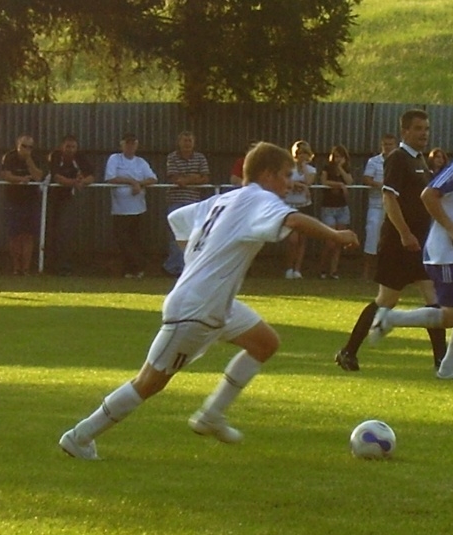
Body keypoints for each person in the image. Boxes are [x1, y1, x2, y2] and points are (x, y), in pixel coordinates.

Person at [58, 142, 359, 460]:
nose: (291, 182)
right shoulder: (261, 197)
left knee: (264, 342)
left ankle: (211, 415)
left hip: (214, 304)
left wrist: (199, 263)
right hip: (196, 308)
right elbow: (295, 220)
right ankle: (79, 436)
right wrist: (337, 236)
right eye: (287, 175)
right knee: (149, 382)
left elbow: (178, 218)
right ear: (267, 174)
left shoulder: (225, 199)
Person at [368, 124, 453, 380]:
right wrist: (452, 229)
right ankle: (390, 319)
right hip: (444, 253)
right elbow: (428, 194)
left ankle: (447, 370)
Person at [334, 109, 448, 373]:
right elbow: (389, 198)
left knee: (432, 296)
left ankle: (443, 361)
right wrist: (405, 234)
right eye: (418, 128)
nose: (424, 133)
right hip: (400, 244)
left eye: (426, 129)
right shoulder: (398, 158)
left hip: (419, 243)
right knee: (387, 300)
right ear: (405, 132)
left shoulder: (420, 159)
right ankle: (348, 351)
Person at [104, 133, 158, 279]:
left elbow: (153, 178)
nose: (130, 146)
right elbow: (110, 178)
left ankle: (133, 270)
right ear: (121, 144)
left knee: (135, 240)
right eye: (127, 143)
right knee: (122, 239)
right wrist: (131, 182)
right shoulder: (114, 159)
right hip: (120, 209)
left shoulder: (141, 162)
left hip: (138, 208)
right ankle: (139, 265)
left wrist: (139, 184)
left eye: (133, 143)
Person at [162, 130, 210, 277]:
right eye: (184, 140)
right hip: (176, 201)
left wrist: (187, 179)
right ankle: (174, 267)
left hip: (194, 202)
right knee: (175, 235)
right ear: (179, 142)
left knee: (194, 235)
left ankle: (190, 267)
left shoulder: (200, 158)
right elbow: (176, 178)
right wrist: (194, 177)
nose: (187, 143)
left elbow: (205, 178)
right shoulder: (172, 157)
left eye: (190, 140)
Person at [47, 134, 95, 276]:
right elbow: (56, 177)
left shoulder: (79, 157)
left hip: (68, 199)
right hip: (52, 198)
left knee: (65, 231)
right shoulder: (55, 156)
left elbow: (91, 176)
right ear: (62, 146)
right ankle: (51, 265)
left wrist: (82, 182)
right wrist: (74, 182)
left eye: (73, 147)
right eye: (68, 146)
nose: (70, 149)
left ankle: (64, 265)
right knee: (52, 231)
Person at [1, 134, 43, 276]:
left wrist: (28, 161)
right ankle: (15, 268)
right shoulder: (9, 157)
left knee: (28, 236)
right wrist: (21, 179)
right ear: (17, 145)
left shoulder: (35, 159)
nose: (27, 149)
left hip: (31, 201)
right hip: (13, 200)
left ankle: (25, 269)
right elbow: (6, 175)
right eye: (24, 146)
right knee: (15, 236)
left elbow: (38, 176)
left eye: (30, 147)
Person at [361, 134, 398, 280]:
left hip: (394, 206)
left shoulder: (398, 161)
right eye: (385, 144)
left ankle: (388, 273)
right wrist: (383, 186)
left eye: (390, 144)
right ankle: (366, 273)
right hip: (376, 205)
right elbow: (367, 179)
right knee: (372, 238)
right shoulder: (374, 161)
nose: (388, 147)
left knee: (392, 240)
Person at [318, 145, 354, 279]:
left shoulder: (346, 170)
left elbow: (350, 181)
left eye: (340, 156)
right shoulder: (326, 169)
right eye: (335, 156)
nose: (337, 159)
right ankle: (322, 268)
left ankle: (333, 271)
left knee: (339, 241)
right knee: (330, 241)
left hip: (342, 208)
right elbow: (324, 181)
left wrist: (340, 169)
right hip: (328, 208)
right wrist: (339, 185)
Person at [283, 140, 316, 279]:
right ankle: (289, 267)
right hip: (290, 205)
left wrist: (304, 167)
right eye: (299, 153)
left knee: (302, 239)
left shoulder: (312, 170)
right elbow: (287, 182)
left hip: (304, 205)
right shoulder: (289, 168)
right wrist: (298, 184)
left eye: (304, 153)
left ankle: (297, 269)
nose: (301, 155)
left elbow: (308, 182)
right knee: (293, 239)